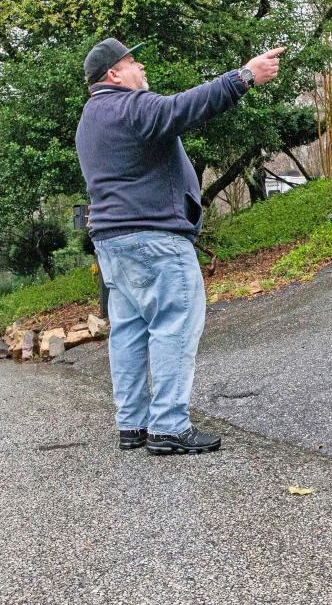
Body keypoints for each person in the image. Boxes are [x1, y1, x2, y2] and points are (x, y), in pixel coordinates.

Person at [75, 38, 284, 454]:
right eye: (133, 62)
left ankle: (132, 424)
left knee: (129, 333)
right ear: (114, 74)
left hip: (112, 244)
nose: (142, 67)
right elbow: (181, 109)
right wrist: (243, 78)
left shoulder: (89, 119)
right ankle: (168, 426)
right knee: (174, 325)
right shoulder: (130, 106)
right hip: (155, 240)